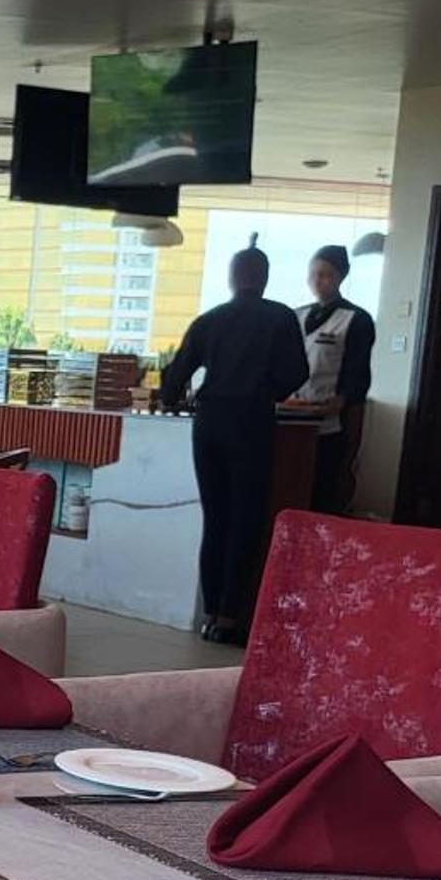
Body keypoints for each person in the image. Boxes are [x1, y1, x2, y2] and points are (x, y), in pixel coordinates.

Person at [160, 244, 310, 643]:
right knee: (246, 519)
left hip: (209, 423)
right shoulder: (280, 317)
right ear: (264, 278)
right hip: (251, 421)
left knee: (215, 519)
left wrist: (174, 397)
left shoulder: (210, 319)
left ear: (231, 278)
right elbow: (298, 371)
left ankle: (210, 613)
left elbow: (173, 380)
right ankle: (230, 617)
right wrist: (268, 390)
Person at [287, 242, 375, 515]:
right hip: (291, 413)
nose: (318, 280)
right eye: (313, 274)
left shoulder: (356, 319)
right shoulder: (296, 315)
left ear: (340, 277)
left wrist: (343, 400)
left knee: (324, 488)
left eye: (326, 274)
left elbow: (358, 373)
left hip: (330, 420)